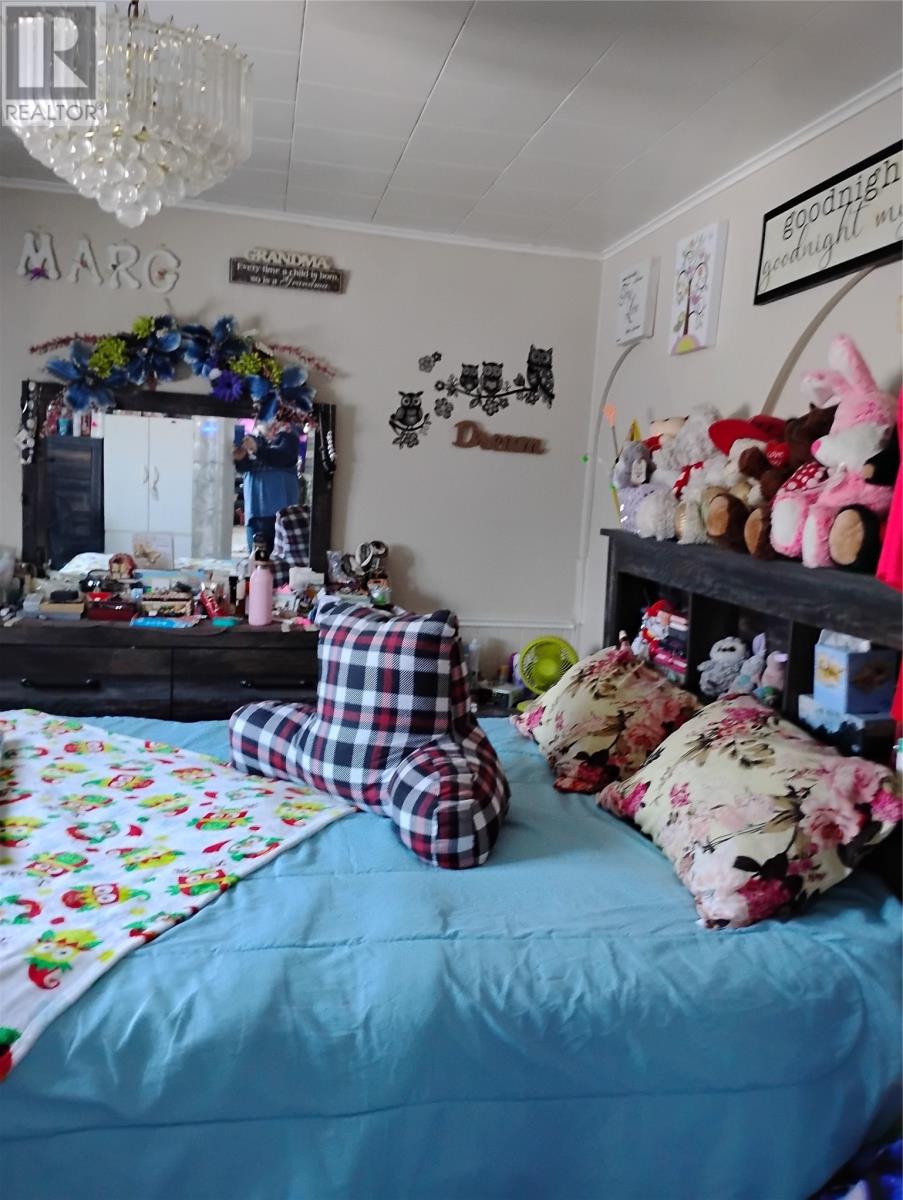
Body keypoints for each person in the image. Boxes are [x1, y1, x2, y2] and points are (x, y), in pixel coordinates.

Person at [233, 408, 301, 556]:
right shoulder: (252, 436)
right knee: (256, 561)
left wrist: (257, 450)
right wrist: (239, 458)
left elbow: (284, 456)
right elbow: (245, 468)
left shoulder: (289, 433)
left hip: (282, 514)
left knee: (283, 561)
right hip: (255, 513)